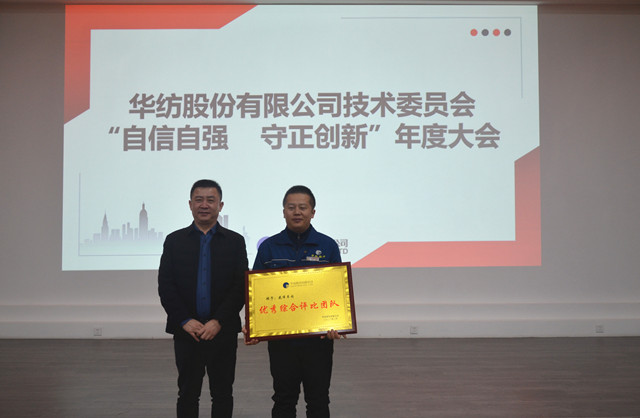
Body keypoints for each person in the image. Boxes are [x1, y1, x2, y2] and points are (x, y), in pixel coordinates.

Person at [246, 185, 344, 418]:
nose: (297, 212)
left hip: (318, 341)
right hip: (282, 343)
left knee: (318, 400)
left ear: (313, 212)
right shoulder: (269, 247)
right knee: (283, 399)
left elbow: (336, 291)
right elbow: (255, 291)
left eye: (303, 207)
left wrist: (338, 323)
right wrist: (253, 324)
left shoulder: (327, 246)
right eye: (291, 207)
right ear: (283, 212)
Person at [158, 179, 248, 418]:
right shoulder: (174, 241)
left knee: (223, 393)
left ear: (220, 205)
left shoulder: (235, 242)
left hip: (222, 331)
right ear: (190, 204)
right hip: (187, 332)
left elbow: (240, 286)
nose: (204, 205)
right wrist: (184, 320)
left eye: (211, 200)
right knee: (187, 393)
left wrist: (218, 321)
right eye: (199, 200)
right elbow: (166, 286)